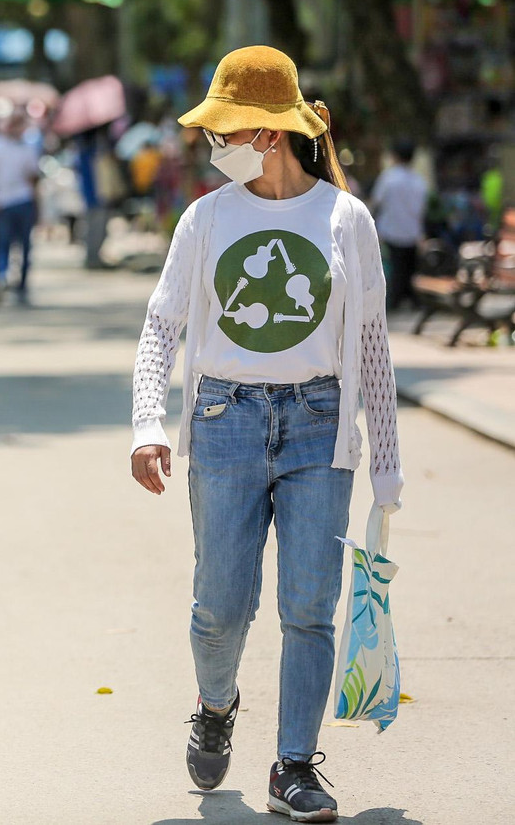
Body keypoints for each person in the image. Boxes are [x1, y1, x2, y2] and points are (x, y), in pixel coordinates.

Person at [130, 46, 403, 823]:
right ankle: (216, 705)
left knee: (310, 604)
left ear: (269, 135)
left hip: (321, 426)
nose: (214, 146)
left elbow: (373, 345)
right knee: (219, 605)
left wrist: (385, 465)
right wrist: (148, 424)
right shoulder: (208, 216)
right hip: (224, 421)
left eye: (226, 131)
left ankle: (293, 764)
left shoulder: (346, 221)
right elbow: (161, 328)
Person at [0, 111, 40, 306]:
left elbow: (32, 179)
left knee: (12, 246)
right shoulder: (0, 145)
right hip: (9, 202)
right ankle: (10, 282)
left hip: (13, 202)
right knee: (12, 246)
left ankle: (9, 280)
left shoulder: (23, 147)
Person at [369, 140, 428, 310]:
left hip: (390, 231)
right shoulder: (419, 181)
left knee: (393, 269)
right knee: (409, 269)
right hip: (412, 232)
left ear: (395, 156)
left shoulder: (388, 178)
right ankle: (411, 300)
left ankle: (392, 301)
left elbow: (376, 202)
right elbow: (421, 210)